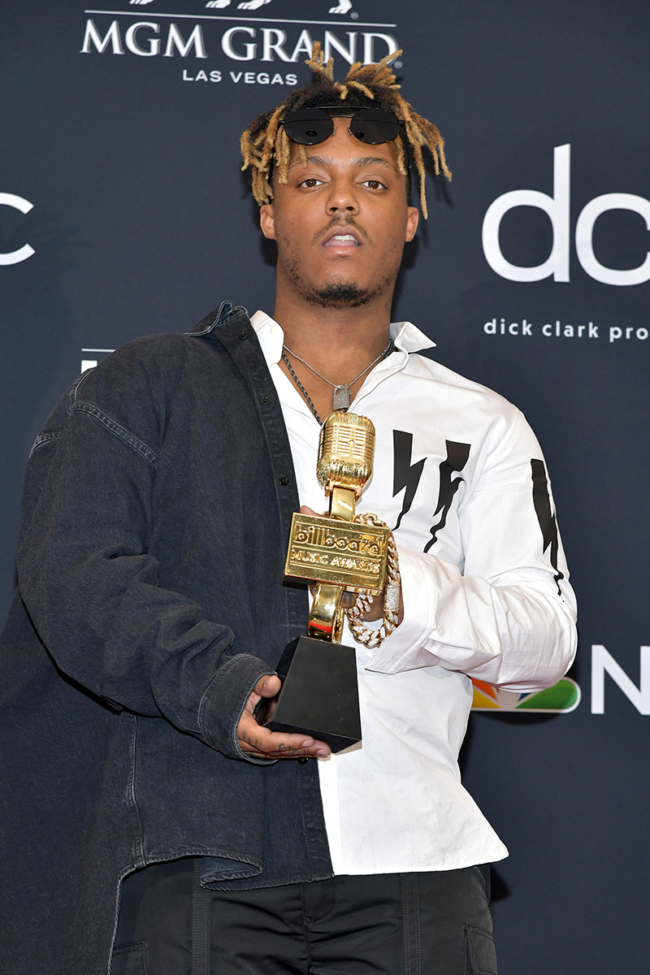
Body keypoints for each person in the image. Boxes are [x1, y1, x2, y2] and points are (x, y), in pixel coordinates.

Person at [0, 45, 576, 975]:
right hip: (203, 854)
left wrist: (405, 586)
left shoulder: (483, 421)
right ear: (271, 214)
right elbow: (73, 572)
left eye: (373, 181)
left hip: (416, 866)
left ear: (410, 217)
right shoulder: (150, 385)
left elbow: (545, 641)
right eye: (312, 179)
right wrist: (220, 689)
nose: (342, 199)